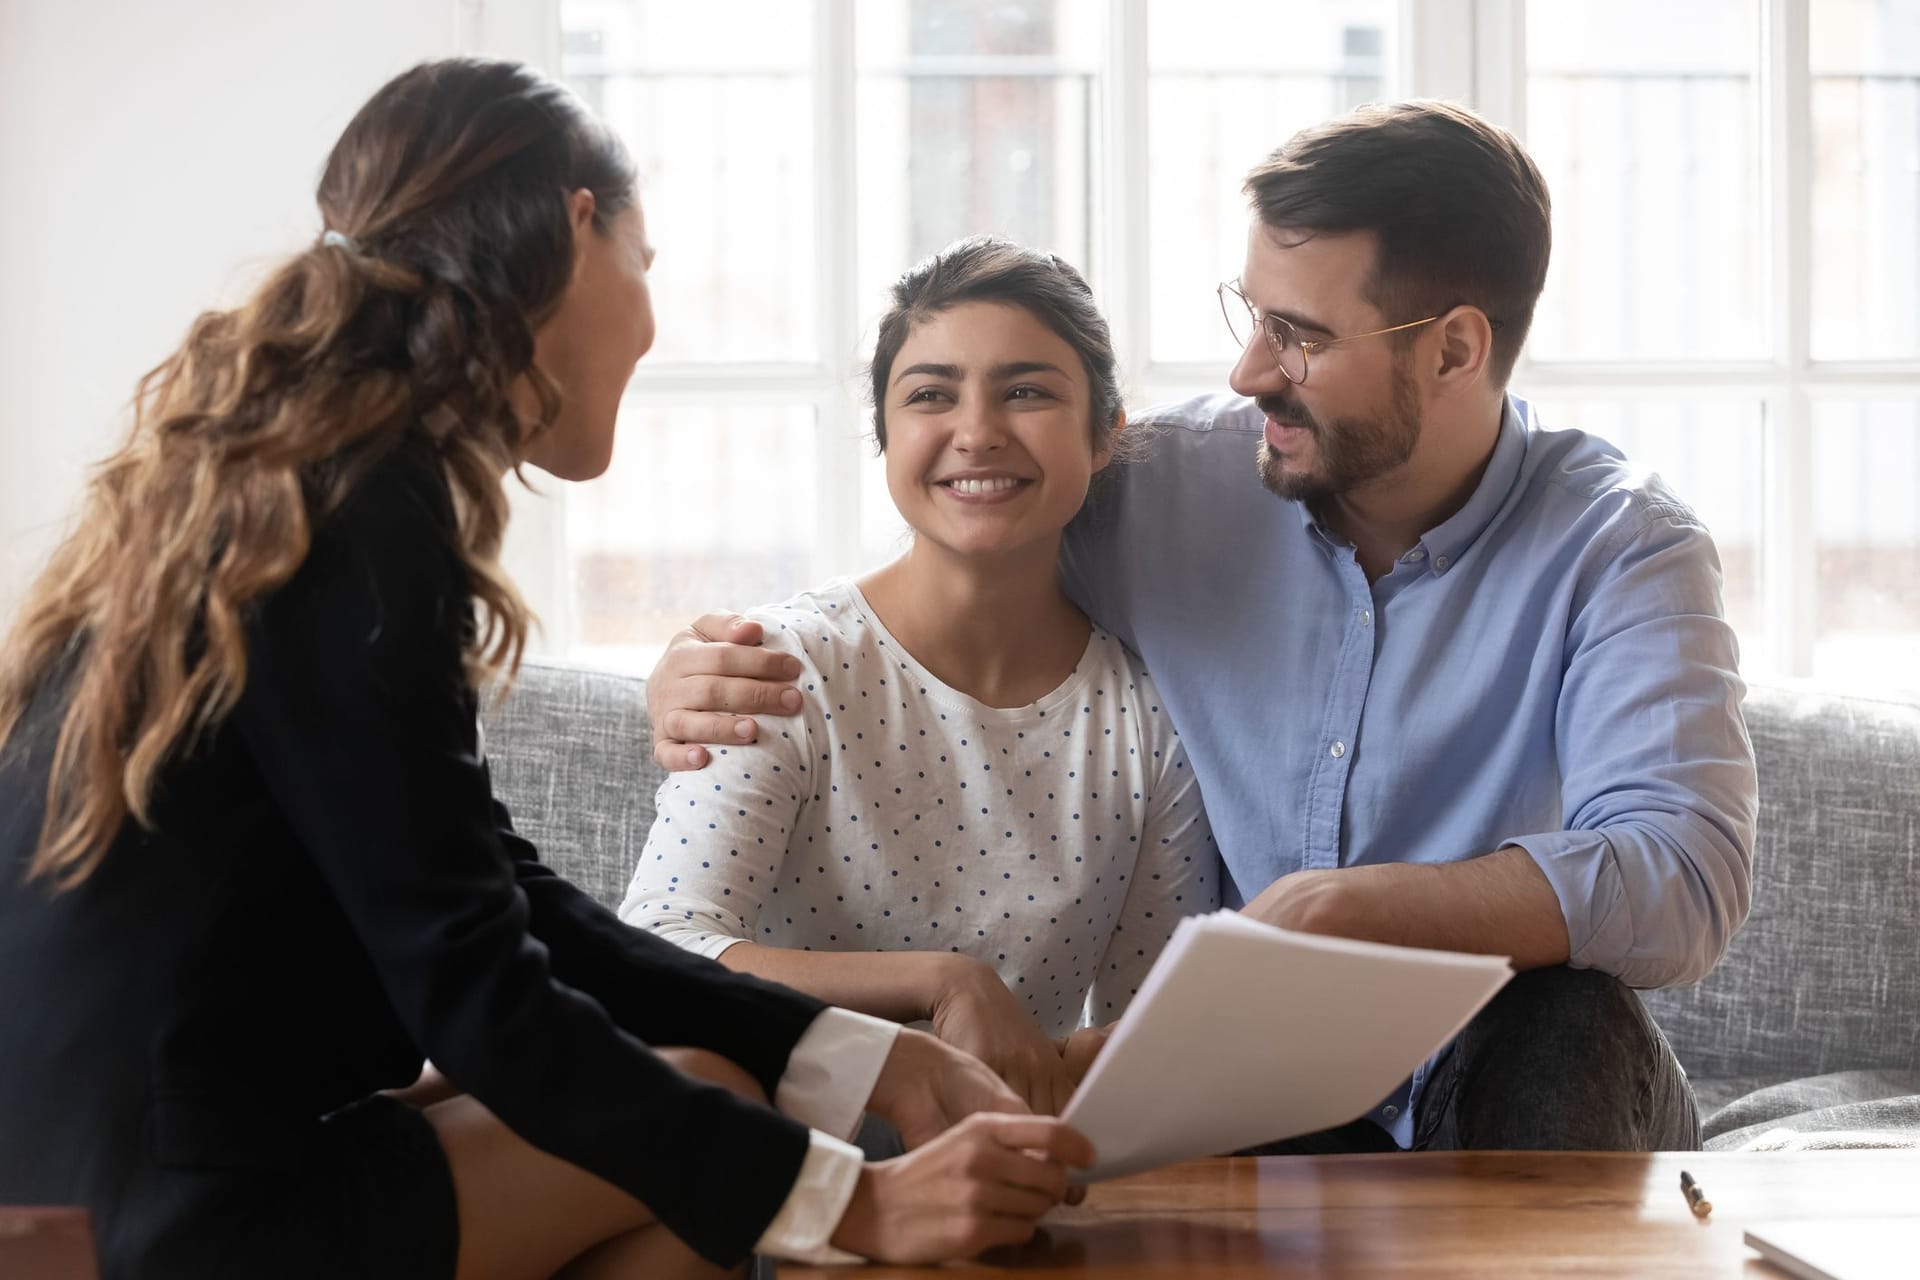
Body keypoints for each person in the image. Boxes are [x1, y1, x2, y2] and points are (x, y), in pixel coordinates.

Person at [0, 59, 1095, 1280]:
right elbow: (473, 981)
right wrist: (864, 1204)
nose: (650, 316)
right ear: (579, 225)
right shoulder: (360, 512)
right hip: (162, 1224)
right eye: (648, 261)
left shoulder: (298, 483)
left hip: (96, 1177)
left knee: (714, 1096)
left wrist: (858, 1053)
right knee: (728, 1134)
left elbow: (509, 904)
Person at [643, 100, 1759, 1154]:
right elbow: (963, 537)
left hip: (1514, 1067)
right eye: (1251, 313)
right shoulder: (1158, 486)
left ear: (1456, 349)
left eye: (1300, 334)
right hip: (1260, 1088)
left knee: (1564, 1012)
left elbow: (1682, 875)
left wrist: (1353, 906)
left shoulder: (1623, 546)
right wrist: (699, 665)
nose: (1248, 369)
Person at [617, 238, 1218, 1120]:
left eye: (1027, 391)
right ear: (887, 435)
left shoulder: (1148, 719)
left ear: (1104, 437)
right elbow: (657, 949)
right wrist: (941, 985)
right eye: (931, 395)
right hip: (754, 1154)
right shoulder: (784, 668)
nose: (976, 431)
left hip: (1010, 1169)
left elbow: (1143, 1033)